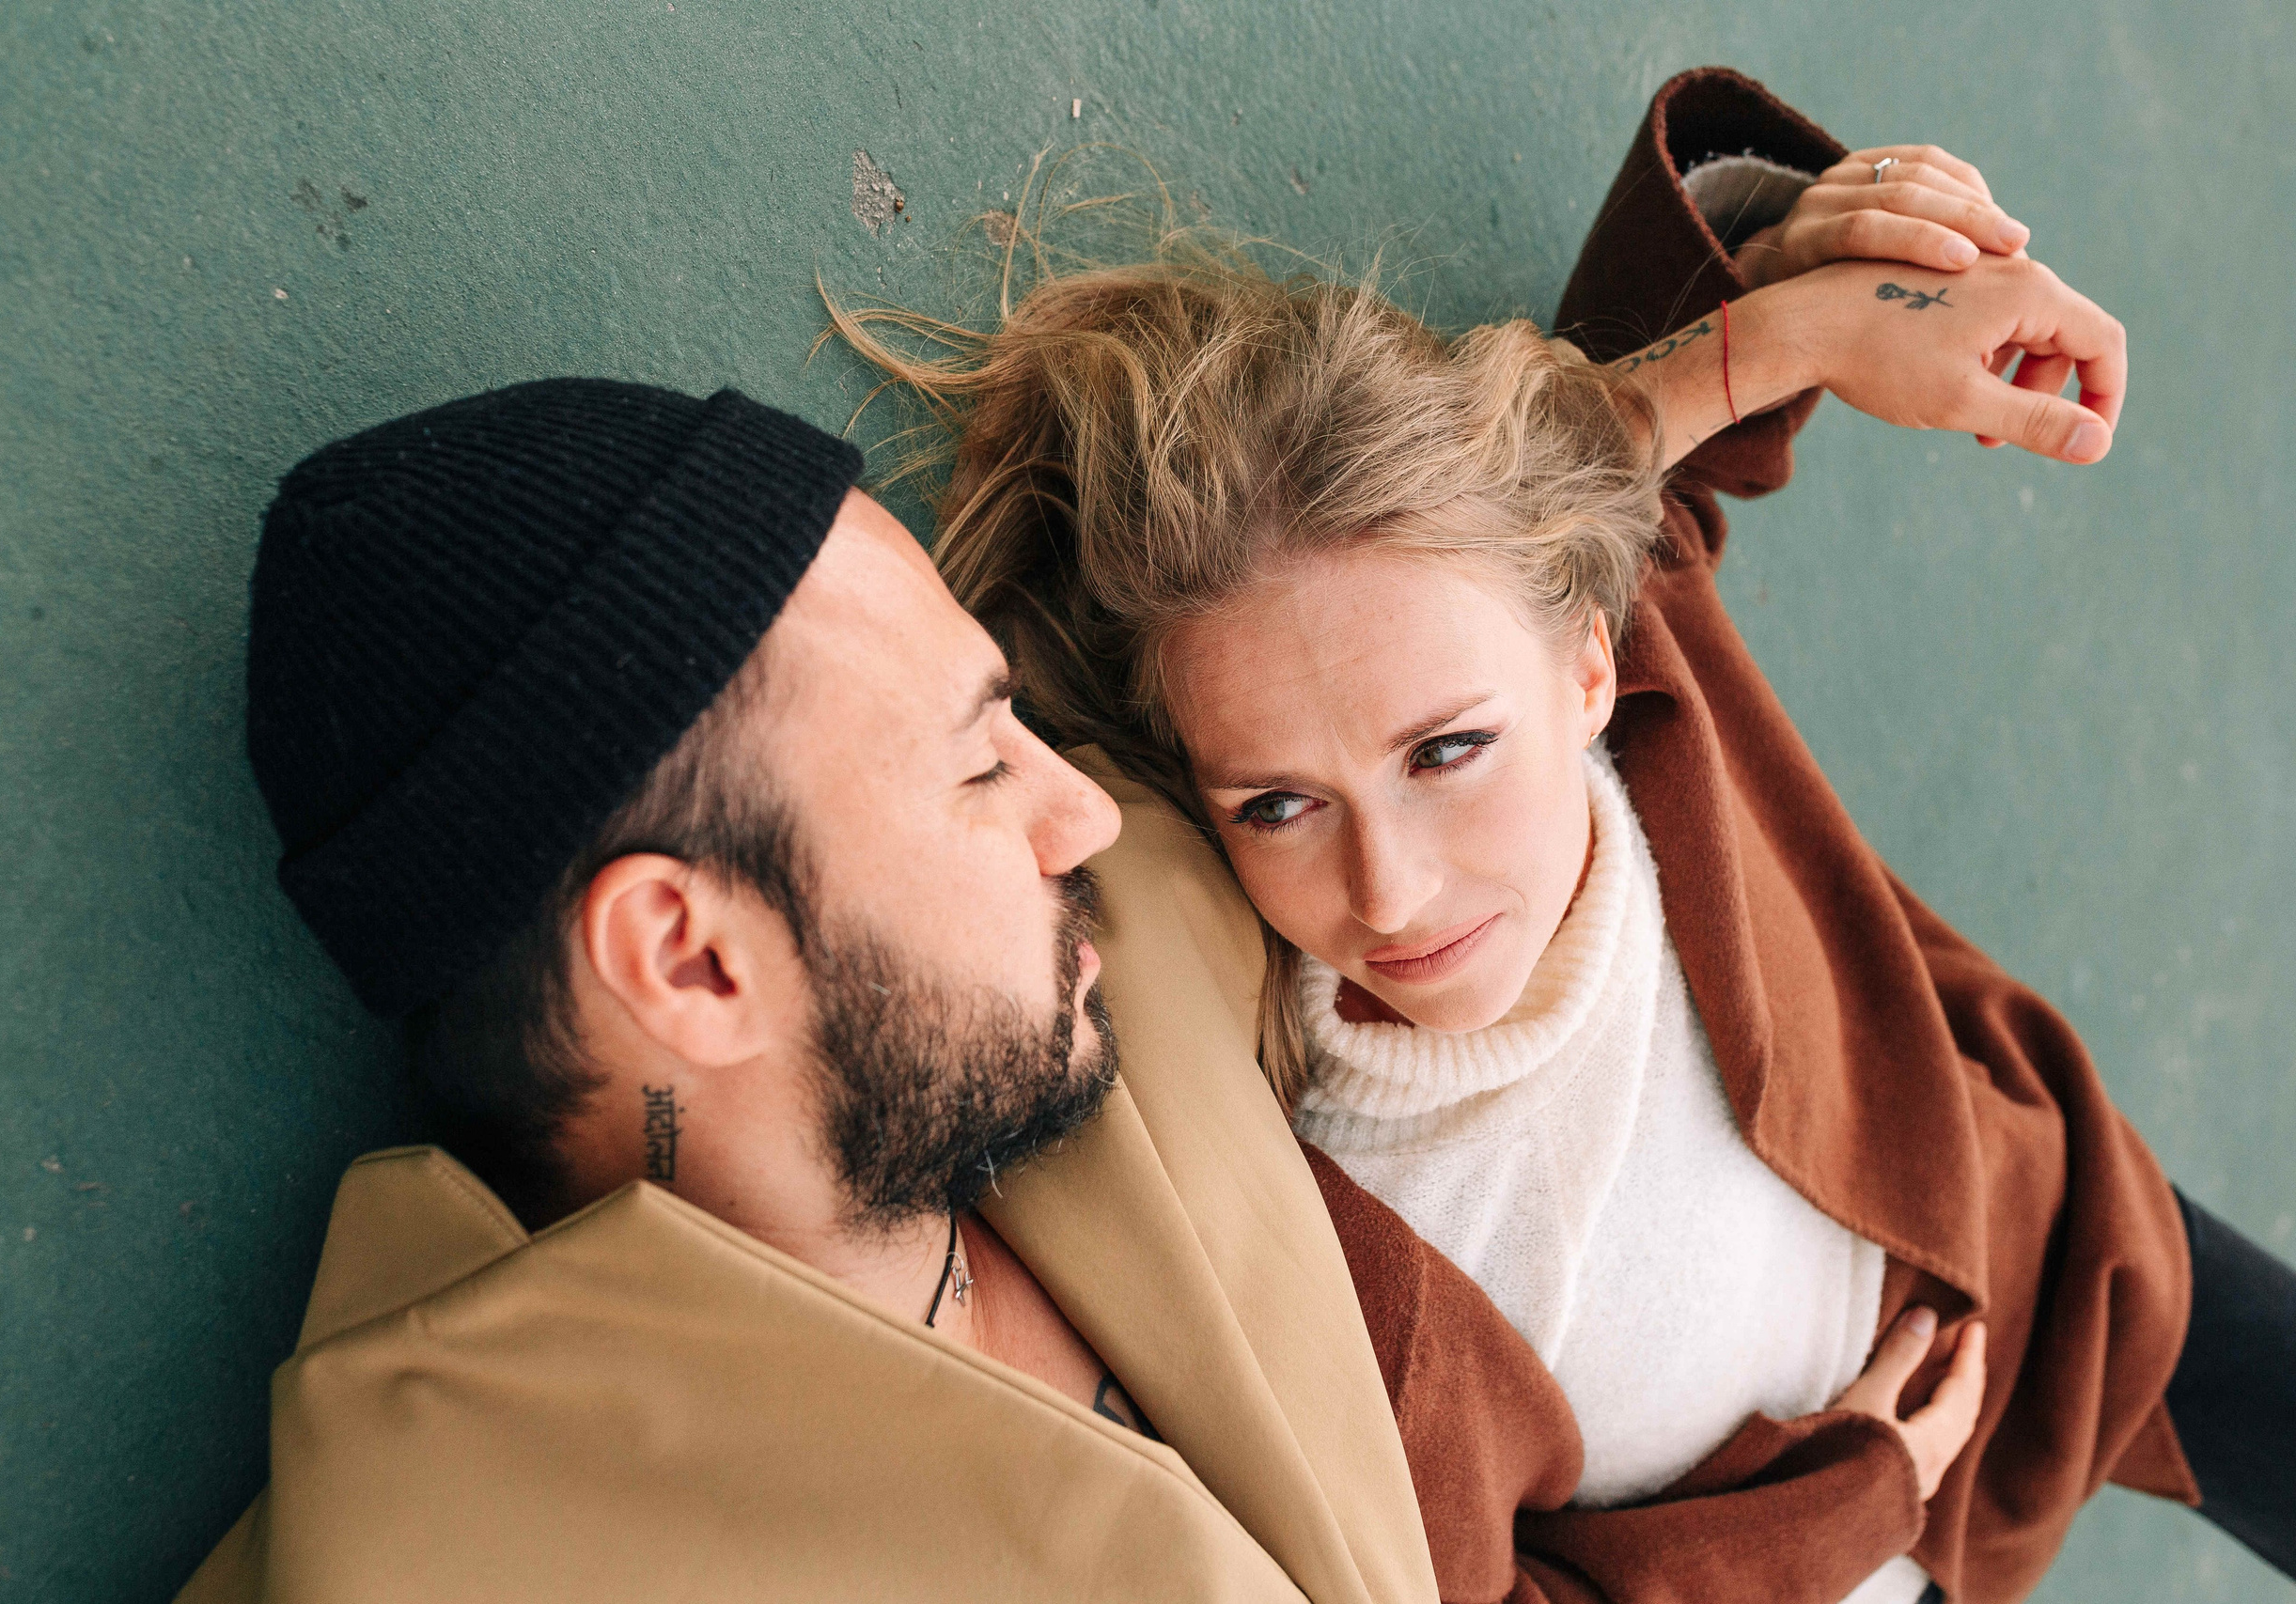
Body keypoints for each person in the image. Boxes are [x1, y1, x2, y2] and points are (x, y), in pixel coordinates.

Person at [837, 67, 2296, 1604]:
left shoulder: (1637, 679)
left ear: (1585, 664)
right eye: (1281, 805)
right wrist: (1856, 1509)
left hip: (2047, 1248)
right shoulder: (1353, 1261)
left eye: (1449, 753)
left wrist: (1799, 303)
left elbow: (1592, 476)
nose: (1393, 889)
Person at [173, 379, 1446, 1603]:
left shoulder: (1149, 943)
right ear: (692, 962)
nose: (1083, 813)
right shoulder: (436, 1560)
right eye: (976, 775)